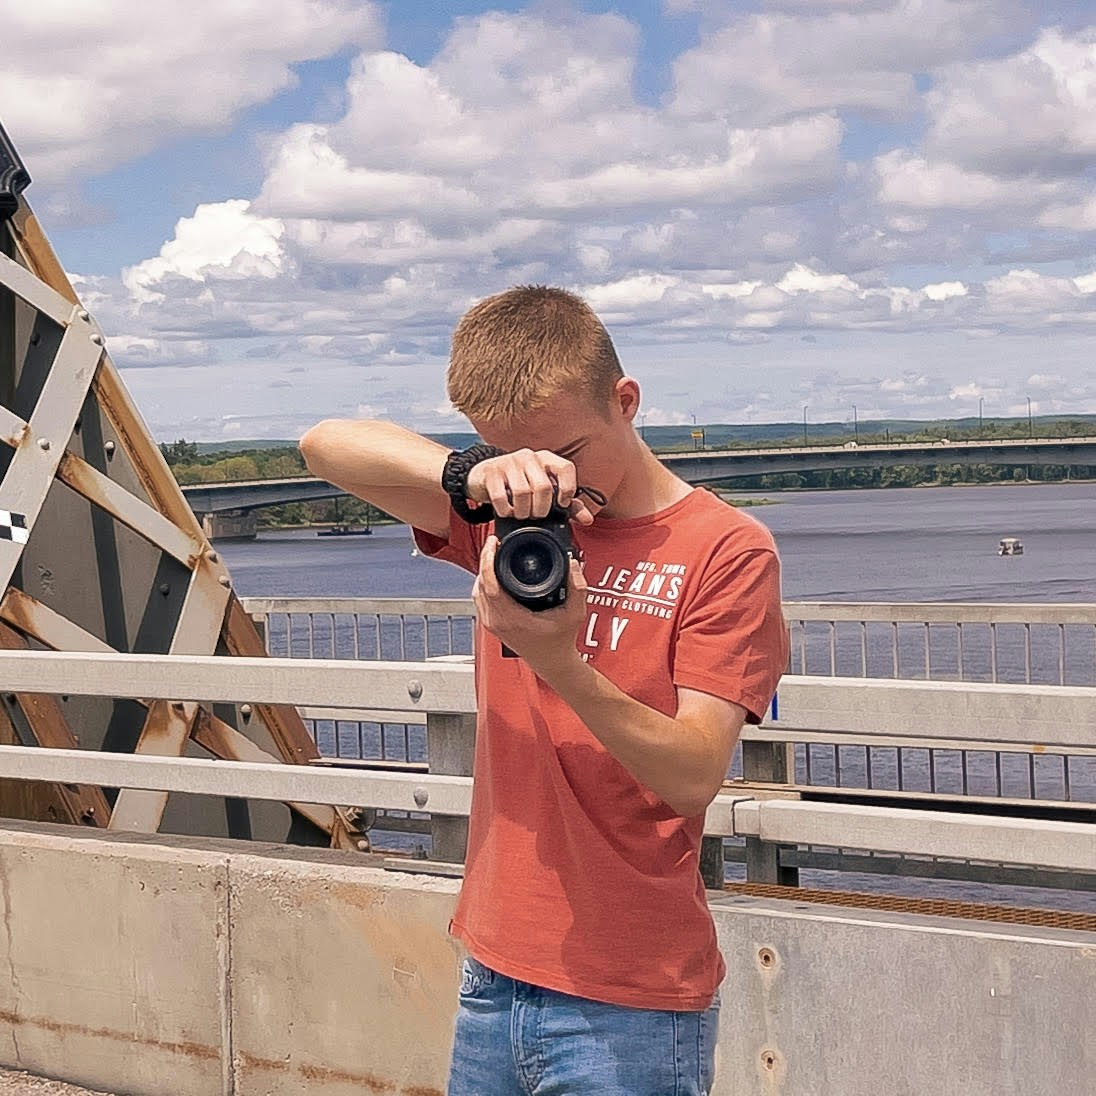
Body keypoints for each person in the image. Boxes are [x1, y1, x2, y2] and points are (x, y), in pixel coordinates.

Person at [299, 286, 788, 1096]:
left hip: (631, 999)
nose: (552, 485)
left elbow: (695, 773)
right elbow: (325, 445)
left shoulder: (727, 549)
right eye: (521, 460)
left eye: (566, 452)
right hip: (492, 968)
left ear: (625, 401)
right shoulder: (508, 521)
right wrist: (473, 475)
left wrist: (559, 661)